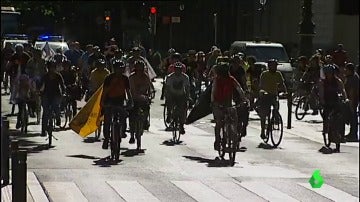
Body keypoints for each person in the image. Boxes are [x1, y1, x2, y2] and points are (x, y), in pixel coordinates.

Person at [211, 62, 248, 150]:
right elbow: (213, 91)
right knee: (219, 122)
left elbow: (239, 88)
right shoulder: (217, 80)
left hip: (228, 102)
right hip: (218, 102)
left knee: (234, 117)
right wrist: (214, 102)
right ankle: (217, 139)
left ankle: (233, 134)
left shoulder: (231, 79)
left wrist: (244, 99)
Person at [100, 59, 133, 149]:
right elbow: (105, 91)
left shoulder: (125, 78)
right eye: (117, 68)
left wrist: (130, 101)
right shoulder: (109, 78)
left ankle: (122, 131)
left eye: (121, 68)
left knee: (123, 116)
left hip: (120, 100)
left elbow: (128, 91)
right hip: (109, 100)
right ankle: (106, 139)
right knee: (107, 121)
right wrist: (102, 102)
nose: (119, 70)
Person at [319, 64, 348, 151]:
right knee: (326, 116)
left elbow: (343, 90)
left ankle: (339, 136)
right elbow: (321, 92)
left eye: (331, 73)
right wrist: (322, 100)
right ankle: (325, 130)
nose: (329, 75)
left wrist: (345, 98)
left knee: (338, 119)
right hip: (327, 102)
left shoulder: (338, 81)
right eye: (327, 73)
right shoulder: (323, 82)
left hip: (335, 102)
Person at [257, 59, 287, 139]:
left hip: (274, 94)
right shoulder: (264, 74)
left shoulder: (278, 74)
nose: (275, 67)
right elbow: (261, 85)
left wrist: (285, 92)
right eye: (273, 65)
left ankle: (275, 117)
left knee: (276, 105)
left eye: (276, 66)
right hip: (265, 95)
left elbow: (282, 84)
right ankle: (263, 130)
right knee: (264, 114)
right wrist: (262, 92)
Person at [128, 60, 153, 145]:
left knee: (147, 107)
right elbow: (131, 89)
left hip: (143, 98)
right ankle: (131, 135)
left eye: (141, 70)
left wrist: (149, 95)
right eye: (137, 70)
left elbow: (149, 87)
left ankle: (145, 121)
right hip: (134, 98)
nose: (139, 72)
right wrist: (134, 96)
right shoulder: (131, 77)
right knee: (131, 115)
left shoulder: (145, 76)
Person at [39, 60, 66, 136]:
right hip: (46, 95)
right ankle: (43, 130)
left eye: (53, 67)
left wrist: (63, 92)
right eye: (50, 67)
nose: (52, 69)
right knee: (45, 112)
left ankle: (58, 119)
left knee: (56, 107)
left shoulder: (58, 76)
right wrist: (39, 91)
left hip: (56, 94)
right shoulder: (45, 76)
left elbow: (62, 85)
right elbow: (41, 86)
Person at [165, 62, 191, 134]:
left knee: (183, 108)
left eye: (179, 69)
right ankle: (169, 114)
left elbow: (187, 88)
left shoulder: (185, 77)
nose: (178, 71)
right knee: (169, 102)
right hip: (172, 94)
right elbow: (167, 88)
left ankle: (181, 125)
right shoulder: (170, 77)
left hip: (181, 95)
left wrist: (188, 96)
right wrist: (167, 96)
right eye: (176, 69)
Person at [343, 63, 359, 142]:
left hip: (353, 100)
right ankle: (351, 133)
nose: (345, 71)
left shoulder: (353, 78)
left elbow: (353, 91)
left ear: (350, 70)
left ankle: (353, 135)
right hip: (350, 99)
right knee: (351, 116)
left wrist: (351, 102)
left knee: (353, 117)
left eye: (346, 69)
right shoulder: (350, 77)